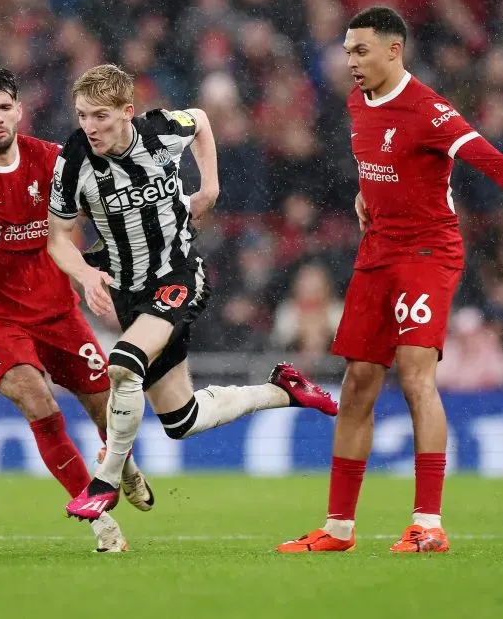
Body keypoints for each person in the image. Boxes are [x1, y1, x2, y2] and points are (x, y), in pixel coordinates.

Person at [277, 7, 503, 554]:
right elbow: (380, 164)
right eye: (348, 52)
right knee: (357, 383)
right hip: (377, 253)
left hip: (427, 254)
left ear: (394, 50)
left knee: (415, 374)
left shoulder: (429, 110)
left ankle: (428, 524)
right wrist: (364, 195)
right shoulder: (356, 103)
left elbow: (494, 162)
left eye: (361, 51)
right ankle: (338, 529)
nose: (351, 62)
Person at [45, 64, 337, 523]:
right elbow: (58, 238)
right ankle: (282, 390)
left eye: (100, 116)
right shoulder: (74, 159)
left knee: (122, 363)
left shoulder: (160, 130)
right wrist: (84, 274)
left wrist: (210, 187)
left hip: (179, 275)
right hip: (130, 293)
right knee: (182, 420)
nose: (90, 126)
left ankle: (105, 481)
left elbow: (200, 120)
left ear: (127, 112)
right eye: (83, 115)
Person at [0, 66, 154, 553]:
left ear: (19, 111)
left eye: (5, 107)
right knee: (37, 399)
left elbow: (97, 196)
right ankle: (98, 519)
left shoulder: (50, 159)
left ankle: (125, 468)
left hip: (55, 309)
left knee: (107, 406)